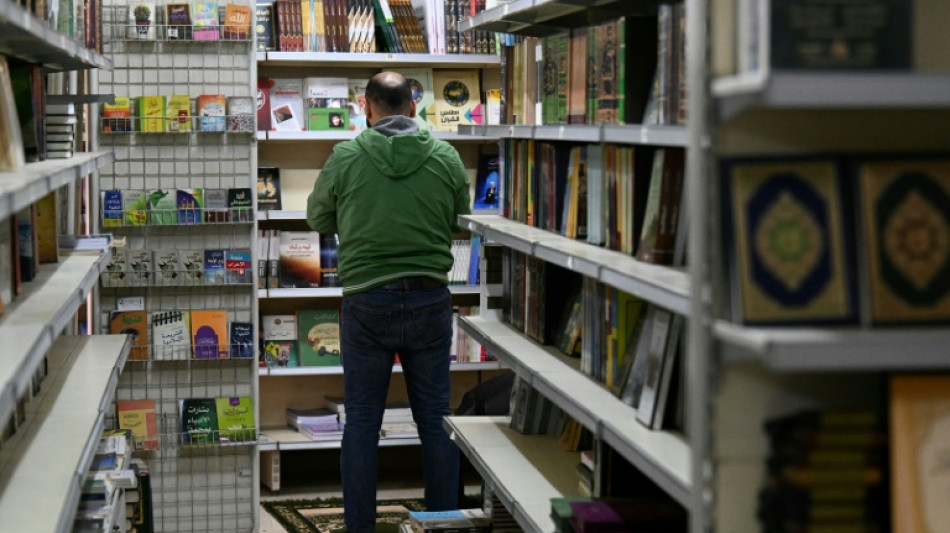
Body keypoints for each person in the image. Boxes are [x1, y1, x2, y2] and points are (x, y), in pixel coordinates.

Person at [306, 71, 471, 533]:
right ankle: (442, 523)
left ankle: (359, 527)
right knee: (436, 419)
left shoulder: (346, 155)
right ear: (414, 107)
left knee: (361, 422)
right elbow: (461, 221)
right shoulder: (445, 155)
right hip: (429, 297)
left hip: (366, 299)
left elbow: (317, 215)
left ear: (366, 107)